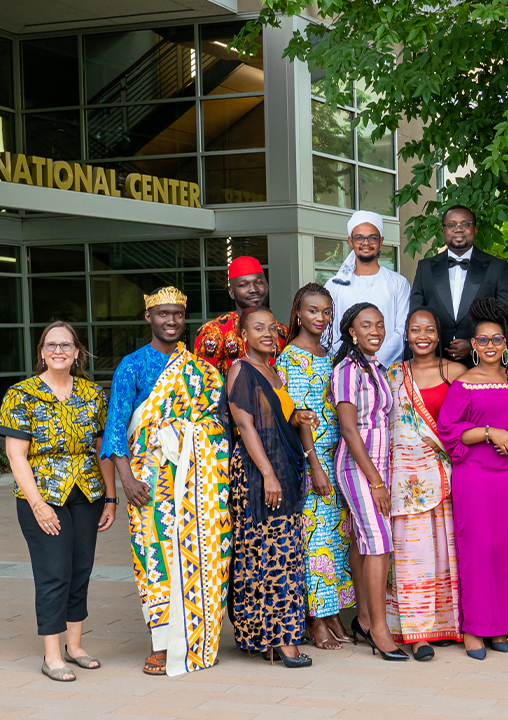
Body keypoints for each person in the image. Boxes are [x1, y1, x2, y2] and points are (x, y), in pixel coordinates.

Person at [101, 287, 229, 676]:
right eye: (163, 314)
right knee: (154, 559)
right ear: (149, 318)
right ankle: (161, 645)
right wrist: (127, 480)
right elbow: (115, 428)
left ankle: (198, 640)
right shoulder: (132, 366)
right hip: (149, 482)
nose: (171, 321)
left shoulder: (203, 370)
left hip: (199, 485)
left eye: (177, 314)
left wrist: (185, 432)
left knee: (208, 556)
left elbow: (220, 425)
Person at [2, 323, 114, 682]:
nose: (59, 350)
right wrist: (38, 504)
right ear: (42, 351)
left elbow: (102, 450)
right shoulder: (21, 394)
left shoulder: (94, 394)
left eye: (66, 345)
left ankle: (75, 646)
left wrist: (111, 498)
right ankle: (52, 655)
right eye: (51, 345)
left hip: (87, 494)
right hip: (43, 495)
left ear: (77, 352)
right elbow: (16, 456)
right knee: (53, 573)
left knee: (80, 570)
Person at [437, 298, 508, 660]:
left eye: (497, 339)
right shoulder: (463, 384)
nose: (491, 345)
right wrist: (489, 431)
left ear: (506, 343)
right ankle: (475, 629)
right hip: (475, 475)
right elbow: (448, 432)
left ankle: (502, 625)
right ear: (474, 344)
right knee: (479, 547)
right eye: (483, 340)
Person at [224, 306, 321, 668]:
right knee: (266, 553)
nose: (267, 334)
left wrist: (299, 417)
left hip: (285, 469)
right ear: (243, 335)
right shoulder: (241, 370)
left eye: (271, 328)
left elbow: (280, 417)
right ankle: (280, 640)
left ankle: (271, 635)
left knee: (286, 554)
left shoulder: (274, 372)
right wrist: (266, 474)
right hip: (258, 472)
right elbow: (246, 426)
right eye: (258, 328)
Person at [277, 284, 356, 650]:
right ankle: (314, 620)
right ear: (297, 312)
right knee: (315, 541)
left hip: (337, 455)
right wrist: (314, 465)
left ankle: (332, 613)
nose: (321, 319)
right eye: (312, 311)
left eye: (326, 312)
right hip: (312, 460)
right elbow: (297, 416)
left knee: (336, 539)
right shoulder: (289, 358)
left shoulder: (330, 353)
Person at [384, 309, 466, 660]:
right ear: (406, 334)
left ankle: (444, 626)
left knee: (447, 556)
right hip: (406, 480)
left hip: (448, 476)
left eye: (429, 329)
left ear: (438, 334)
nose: (422, 335)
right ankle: (417, 634)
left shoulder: (456, 372)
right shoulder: (393, 375)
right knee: (412, 557)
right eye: (415, 329)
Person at [330, 302, 407, 661]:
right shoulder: (347, 369)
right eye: (366, 325)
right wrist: (375, 481)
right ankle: (379, 629)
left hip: (380, 467)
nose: (375, 331)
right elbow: (349, 429)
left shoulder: (377, 368)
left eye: (379, 325)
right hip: (357, 468)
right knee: (379, 543)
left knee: (365, 542)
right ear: (352, 332)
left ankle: (363, 618)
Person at [409, 204, 508, 365]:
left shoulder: (496, 267)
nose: (458, 229)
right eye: (452, 224)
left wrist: (473, 343)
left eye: (465, 224)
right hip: (434, 362)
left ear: (475, 230)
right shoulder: (424, 268)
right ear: (443, 231)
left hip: (482, 363)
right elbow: (415, 316)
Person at [325, 210, 412, 367]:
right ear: (351, 241)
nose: (366, 243)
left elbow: (402, 331)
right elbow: (328, 330)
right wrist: (348, 361)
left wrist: (377, 361)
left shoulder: (399, 283)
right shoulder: (334, 285)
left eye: (372, 237)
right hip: (343, 367)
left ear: (381, 241)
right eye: (359, 238)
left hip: (388, 369)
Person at [194, 256, 287, 376]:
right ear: (232, 293)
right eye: (244, 285)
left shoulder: (282, 331)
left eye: (259, 282)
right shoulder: (213, 331)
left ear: (267, 285)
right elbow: (203, 382)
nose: (254, 289)